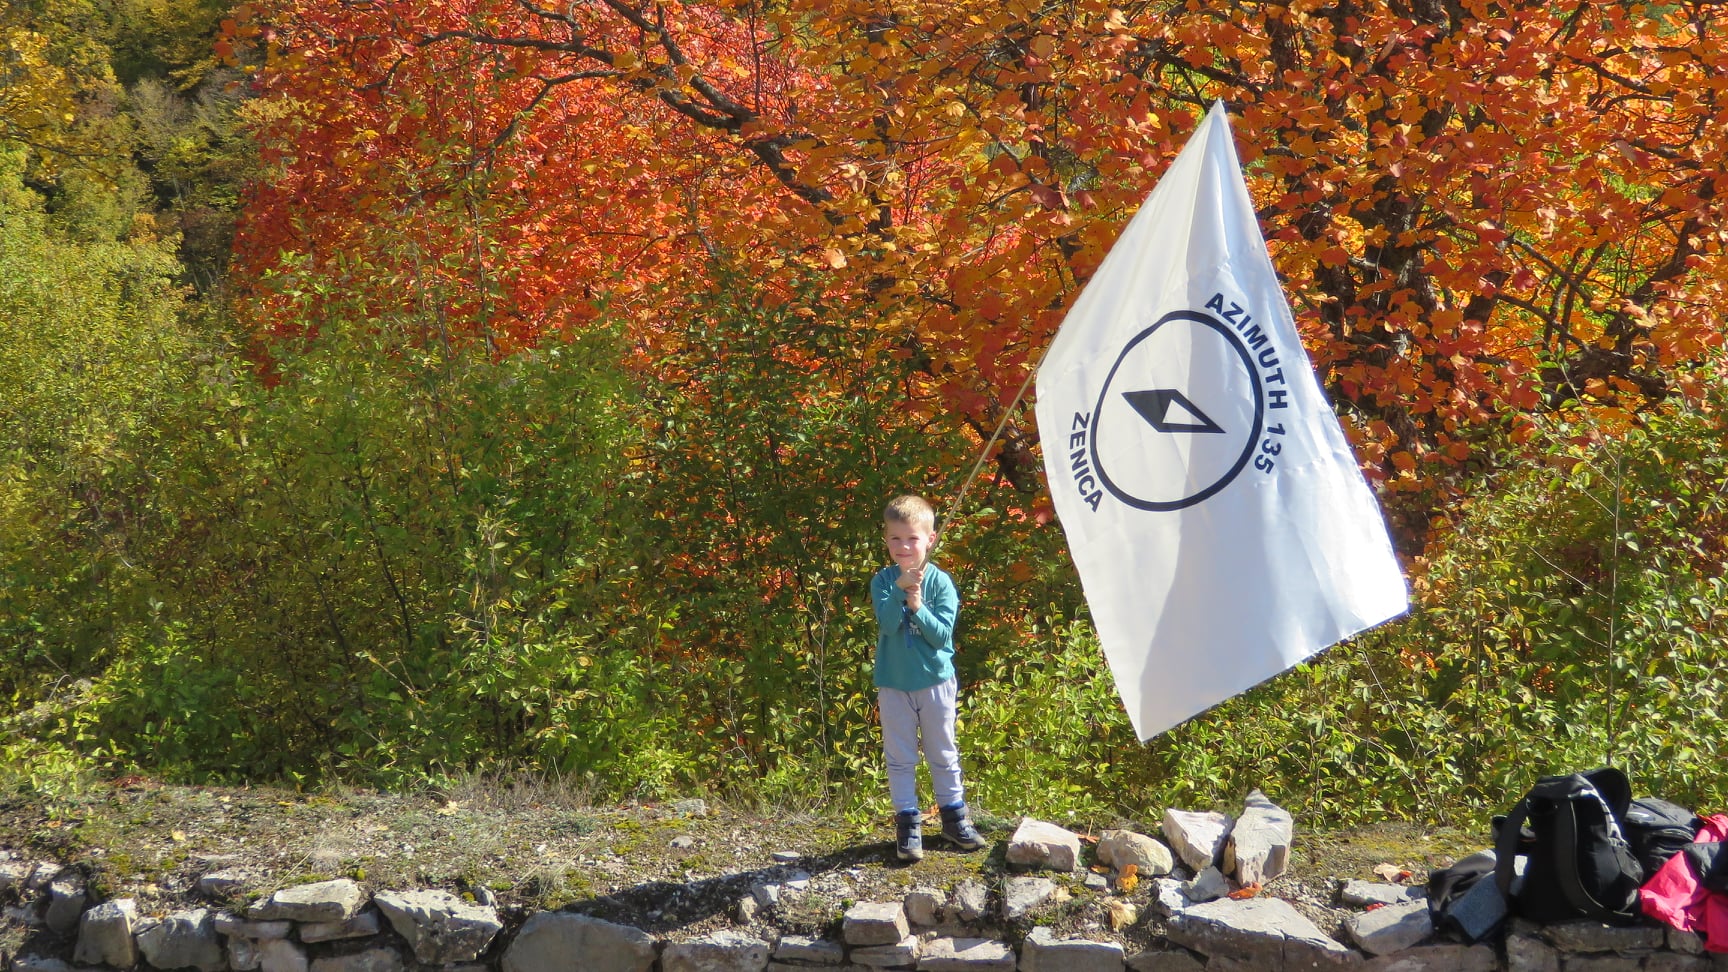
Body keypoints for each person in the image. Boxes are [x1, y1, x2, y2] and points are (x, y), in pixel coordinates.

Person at [871, 494, 986, 862]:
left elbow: (941, 637)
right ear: (886, 539)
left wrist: (918, 605)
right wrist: (899, 591)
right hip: (894, 683)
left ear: (930, 539)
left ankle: (954, 819)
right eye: (895, 538)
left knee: (943, 752)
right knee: (900, 757)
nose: (904, 546)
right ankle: (908, 825)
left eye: (912, 538)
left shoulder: (941, 583)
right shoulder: (882, 581)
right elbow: (888, 624)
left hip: (935, 681)